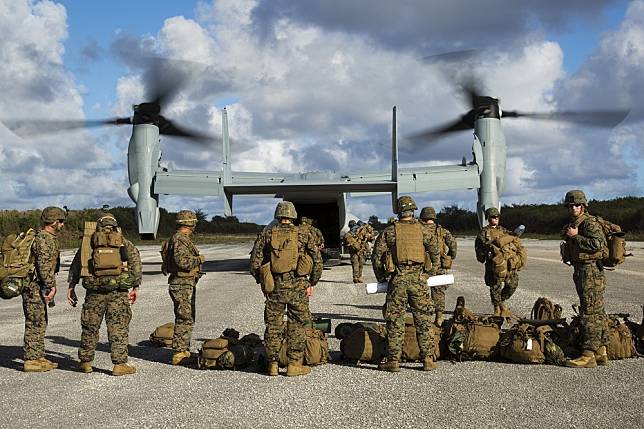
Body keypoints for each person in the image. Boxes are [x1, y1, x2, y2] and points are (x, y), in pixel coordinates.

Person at [250, 201, 322, 377]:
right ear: (293, 216)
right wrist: (312, 282)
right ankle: (293, 364)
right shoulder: (304, 234)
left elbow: (254, 262)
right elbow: (317, 260)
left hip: (275, 287)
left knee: (273, 325)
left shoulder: (267, 234)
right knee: (297, 325)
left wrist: (262, 283)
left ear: (278, 215)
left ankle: (273, 364)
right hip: (298, 285)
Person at [372, 196, 440, 372]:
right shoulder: (424, 230)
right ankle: (427, 359)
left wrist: (381, 278)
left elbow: (377, 256)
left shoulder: (390, 231)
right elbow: (435, 254)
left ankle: (393, 361)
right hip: (419, 281)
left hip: (399, 280)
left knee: (395, 320)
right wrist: (427, 274)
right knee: (423, 320)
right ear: (414, 210)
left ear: (398, 211)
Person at [67, 214, 141, 376]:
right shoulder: (123, 243)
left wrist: (71, 286)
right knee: (118, 328)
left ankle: (86, 362)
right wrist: (135, 287)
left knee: (90, 327)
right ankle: (119, 364)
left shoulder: (88, 243)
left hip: (94, 292)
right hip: (118, 292)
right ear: (115, 225)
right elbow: (135, 266)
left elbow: (77, 265)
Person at [561, 190, 609, 368]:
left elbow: (598, 244)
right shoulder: (575, 223)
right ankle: (601, 350)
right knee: (597, 312)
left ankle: (588, 354)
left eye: (577, 205)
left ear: (583, 206)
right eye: (571, 205)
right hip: (582, 270)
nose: (574, 208)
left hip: (590, 272)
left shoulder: (589, 223)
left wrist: (576, 237)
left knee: (589, 312)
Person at [21, 206, 64, 372]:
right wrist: (51, 285)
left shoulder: (45, 237)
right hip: (34, 287)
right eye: (60, 221)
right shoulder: (44, 239)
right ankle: (31, 360)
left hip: (37, 286)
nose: (62, 224)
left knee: (40, 321)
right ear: (53, 222)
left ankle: (37, 356)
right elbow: (44, 265)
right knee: (35, 322)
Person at [166, 210, 205, 366]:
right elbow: (183, 262)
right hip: (182, 284)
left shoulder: (179, 239)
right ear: (191, 224)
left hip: (185, 283)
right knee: (184, 318)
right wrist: (199, 259)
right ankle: (179, 352)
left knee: (186, 317)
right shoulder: (180, 240)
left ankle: (183, 349)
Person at [474, 207, 523, 316]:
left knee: (512, 283)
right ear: (488, 218)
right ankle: (497, 308)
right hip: (493, 263)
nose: (495, 219)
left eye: (497, 217)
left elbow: (513, 240)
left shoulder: (503, 230)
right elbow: (479, 248)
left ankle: (501, 301)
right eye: (493, 217)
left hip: (506, 262)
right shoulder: (483, 233)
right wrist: (485, 254)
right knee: (495, 286)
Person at [419, 206, 457, 326]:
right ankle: (439, 317)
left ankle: (425, 318)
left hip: (422, 266)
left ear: (422, 217)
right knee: (439, 292)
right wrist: (450, 257)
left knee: (421, 291)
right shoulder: (442, 231)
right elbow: (453, 246)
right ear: (434, 217)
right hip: (439, 265)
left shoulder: (417, 229)